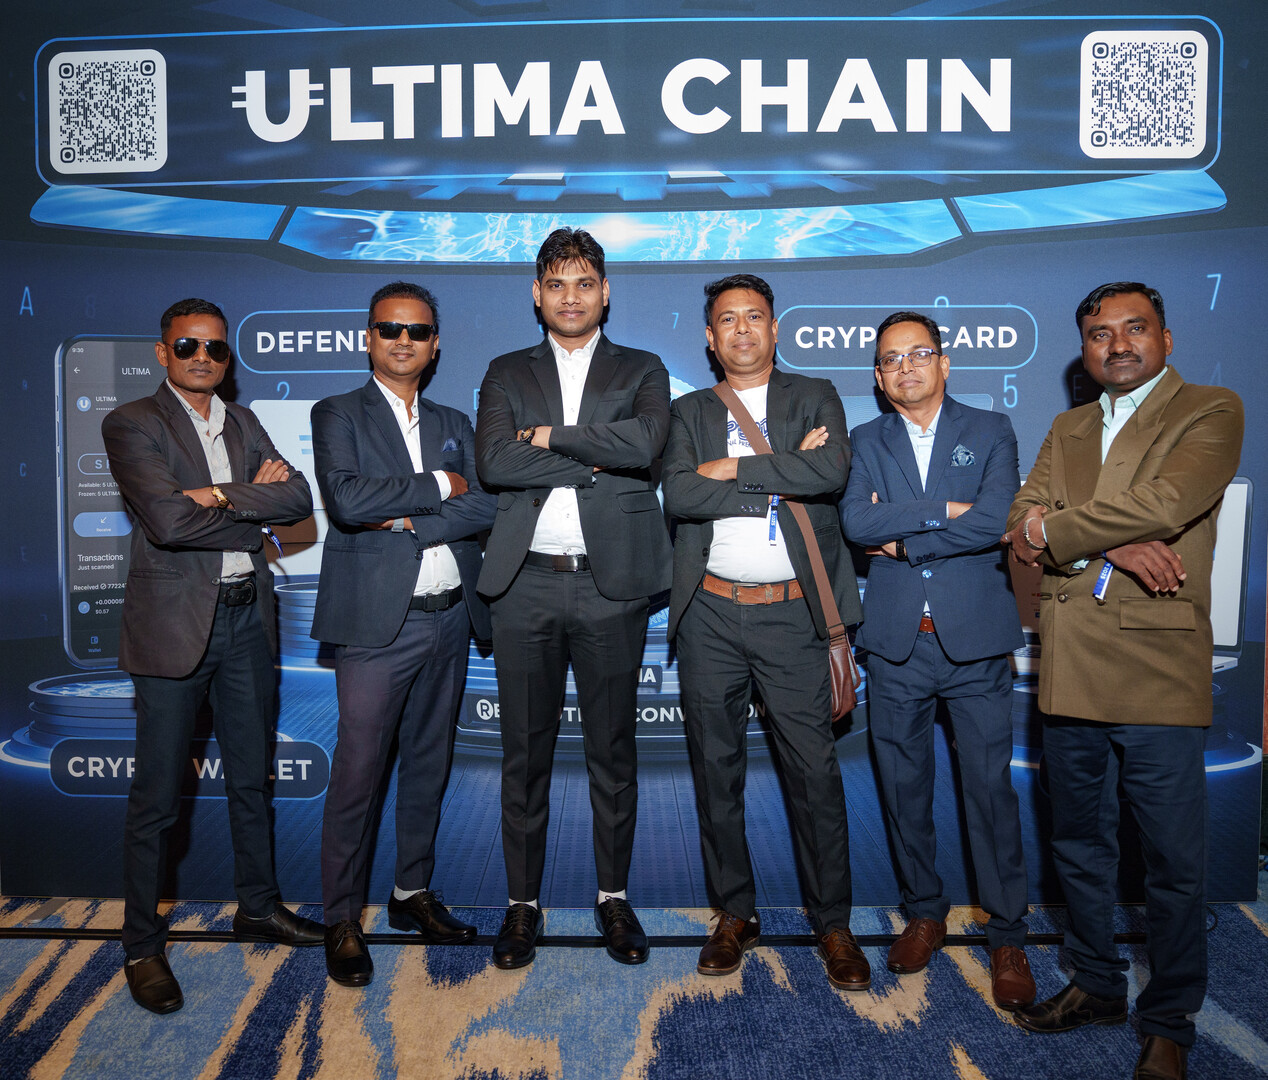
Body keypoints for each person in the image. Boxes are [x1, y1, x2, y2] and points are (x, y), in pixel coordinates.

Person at [1003, 283, 1243, 1080]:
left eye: (1135, 328)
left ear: (1165, 339)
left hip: (1157, 666)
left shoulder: (1209, 409)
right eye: (1100, 334)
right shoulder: (1066, 425)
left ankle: (1170, 1020)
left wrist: (1064, 529)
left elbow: (1168, 503)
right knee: (1078, 844)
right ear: (1084, 350)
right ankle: (1097, 984)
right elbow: (1018, 523)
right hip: (1070, 663)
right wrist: (1109, 541)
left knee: (1171, 862)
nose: (1118, 345)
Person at [102, 298, 323, 1015]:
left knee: (251, 778)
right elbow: (167, 521)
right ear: (162, 351)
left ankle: (257, 906)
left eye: (216, 348)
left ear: (229, 357)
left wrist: (216, 494)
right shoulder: (132, 421)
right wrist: (249, 516)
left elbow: (298, 500)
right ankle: (141, 944)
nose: (203, 357)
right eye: (188, 345)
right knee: (158, 798)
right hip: (174, 628)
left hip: (247, 622)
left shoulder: (245, 421)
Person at [662, 273, 870, 990]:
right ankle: (735, 914)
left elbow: (830, 471)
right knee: (715, 769)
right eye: (728, 319)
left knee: (814, 774)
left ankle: (832, 922)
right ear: (710, 337)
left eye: (755, 316)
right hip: (710, 614)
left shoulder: (814, 395)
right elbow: (680, 491)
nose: (743, 329)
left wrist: (731, 467)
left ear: (775, 329)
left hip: (793, 614)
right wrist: (783, 473)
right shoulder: (688, 409)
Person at [475, 228, 672, 969]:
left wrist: (551, 438)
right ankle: (521, 906)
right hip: (524, 584)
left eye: (584, 282)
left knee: (612, 753)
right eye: (556, 283)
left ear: (605, 292)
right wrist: (593, 459)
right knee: (523, 755)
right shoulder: (505, 370)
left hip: (611, 585)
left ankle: (613, 899)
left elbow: (645, 445)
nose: (570, 296)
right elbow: (495, 461)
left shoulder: (642, 367)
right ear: (537, 294)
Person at [840, 310, 1034, 1009]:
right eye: (891, 359)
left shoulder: (991, 429)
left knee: (989, 792)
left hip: (974, 640)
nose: (906, 368)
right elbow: (856, 522)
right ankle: (924, 913)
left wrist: (906, 535)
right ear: (878, 376)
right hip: (896, 643)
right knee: (903, 789)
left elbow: (996, 517)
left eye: (919, 354)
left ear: (944, 363)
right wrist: (942, 510)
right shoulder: (866, 439)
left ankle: (1007, 933)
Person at [311, 281, 496, 988]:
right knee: (358, 774)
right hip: (374, 626)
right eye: (390, 329)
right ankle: (340, 919)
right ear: (369, 338)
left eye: (417, 331)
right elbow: (348, 500)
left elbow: (488, 504)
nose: (403, 341)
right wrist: (442, 484)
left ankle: (410, 892)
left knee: (427, 764)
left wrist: (412, 517)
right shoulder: (338, 412)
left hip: (450, 617)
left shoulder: (454, 419)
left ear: (435, 344)